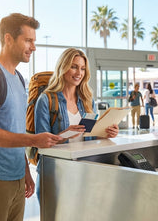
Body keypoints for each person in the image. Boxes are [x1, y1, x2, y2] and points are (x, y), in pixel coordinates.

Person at [0, 13, 62, 221]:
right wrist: (34, 140)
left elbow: (15, 128)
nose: (34, 47)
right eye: (28, 40)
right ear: (8, 38)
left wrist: (25, 170)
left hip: (16, 177)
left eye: (34, 41)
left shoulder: (19, 79)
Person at [34, 47, 119, 200]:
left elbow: (90, 139)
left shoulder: (87, 100)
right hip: (54, 173)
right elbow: (40, 144)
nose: (79, 73)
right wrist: (65, 134)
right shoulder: (46, 100)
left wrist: (105, 135)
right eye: (73, 67)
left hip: (82, 171)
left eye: (82, 68)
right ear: (63, 67)